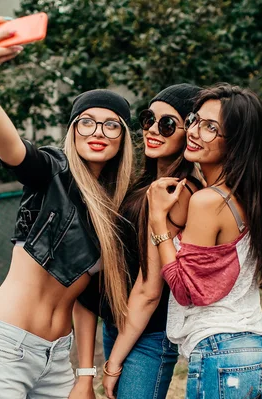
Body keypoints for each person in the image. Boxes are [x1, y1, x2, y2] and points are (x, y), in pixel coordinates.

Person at [0, 17, 134, 399]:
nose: (97, 133)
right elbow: (15, 153)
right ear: (72, 130)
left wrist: (84, 375)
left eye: (110, 125)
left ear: (123, 139)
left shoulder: (115, 212)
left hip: (56, 360)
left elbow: (85, 299)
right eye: (86, 122)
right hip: (4, 349)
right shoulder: (53, 170)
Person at [147, 84, 262, 398]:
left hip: (222, 350)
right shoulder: (252, 197)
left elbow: (186, 290)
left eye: (211, 128)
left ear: (236, 143)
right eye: (196, 120)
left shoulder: (208, 201)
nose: (194, 131)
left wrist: (158, 223)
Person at [71, 84, 203, 399]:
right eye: (148, 119)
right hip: (119, 324)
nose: (153, 130)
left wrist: (113, 362)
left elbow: (149, 290)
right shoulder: (142, 184)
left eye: (167, 124)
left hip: (148, 335)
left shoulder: (178, 192)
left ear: (189, 131)